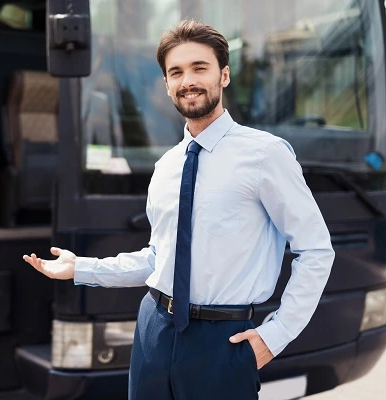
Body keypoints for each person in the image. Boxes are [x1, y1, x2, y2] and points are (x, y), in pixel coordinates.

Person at [23, 19, 334, 400]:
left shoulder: (265, 154)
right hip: (153, 330)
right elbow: (160, 258)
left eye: (199, 68)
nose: (188, 80)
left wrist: (275, 335)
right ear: (167, 85)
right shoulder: (166, 166)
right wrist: (82, 268)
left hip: (223, 342)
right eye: (176, 72)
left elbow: (316, 249)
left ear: (224, 75)